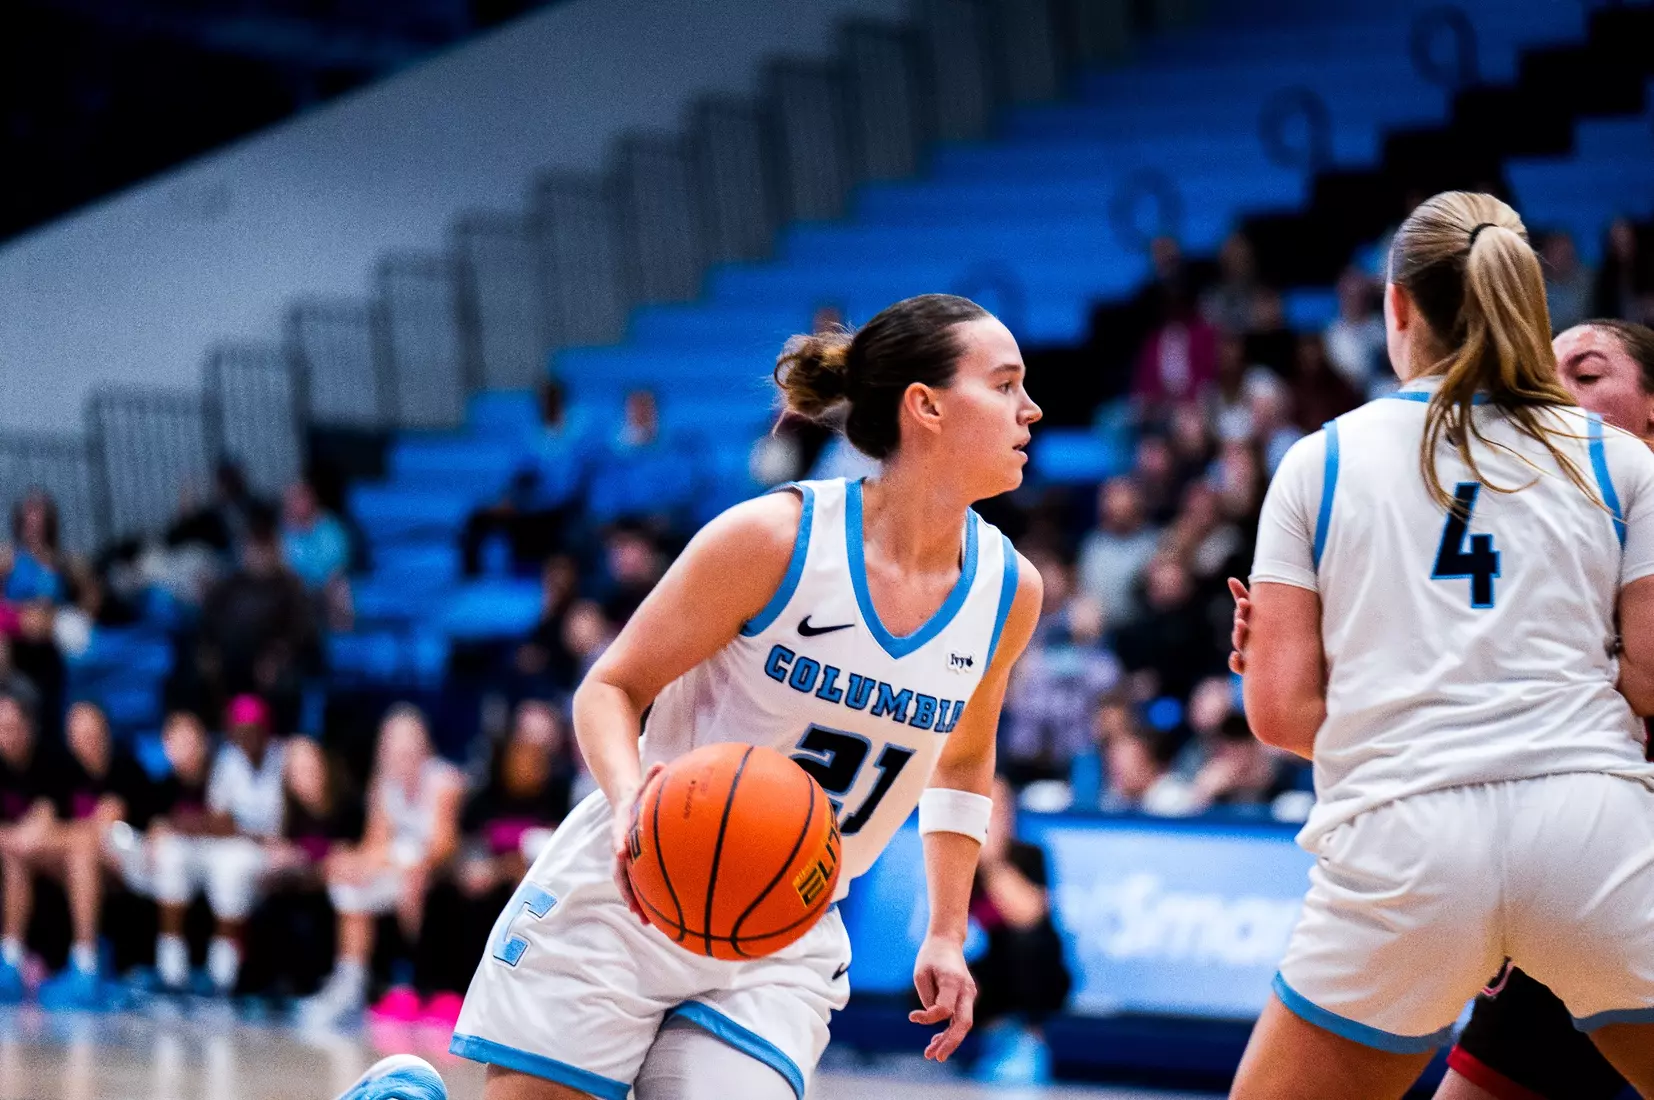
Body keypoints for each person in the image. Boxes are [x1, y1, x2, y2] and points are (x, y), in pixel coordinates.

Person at [430, 292, 1043, 1100]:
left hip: (783, 925)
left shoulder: (1009, 591)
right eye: (1004, 385)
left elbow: (963, 764)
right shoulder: (774, 540)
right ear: (924, 405)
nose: (1029, 409)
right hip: (630, 893)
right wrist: (629, 807)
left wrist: (946, 930)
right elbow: (610, 687)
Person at [1222, 192, 1654, 1098]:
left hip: (1403, 843)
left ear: (1398, 307)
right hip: (1591, 830)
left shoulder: (1320, 460)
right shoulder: (1623, 461)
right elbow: (1649, 681)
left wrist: (1385, 676)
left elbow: (1282, 713)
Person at [1430, 320, 1654, 1100]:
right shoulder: (1515, 528)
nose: (1556, 393)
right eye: (1543, 376)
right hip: (1571, 881)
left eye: (1587, 375)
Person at [299, 704, 463, 1028]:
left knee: (414, 881)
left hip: (443, 868)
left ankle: (418, 981)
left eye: (409, 747)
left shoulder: (445, 780)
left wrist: (400, 862)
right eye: (394, 747)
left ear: (423, 745)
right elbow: (376, 843)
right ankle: (350, 983)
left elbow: (444, 845)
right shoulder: (383, 784)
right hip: (401, 864)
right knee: (349, 886)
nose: (402, 755)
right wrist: (354, 861)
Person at [148, 696, 288, 995]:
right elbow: (220, 821)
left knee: (232, 867)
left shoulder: (283, 760)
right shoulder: (228, 761)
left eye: (252, 729)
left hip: (268, 851)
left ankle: (222, 972)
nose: (245, 736)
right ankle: (171, 967)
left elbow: (278, 825)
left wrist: (249, 834)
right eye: (239, 730)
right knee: (173, 855)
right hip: (232, 844)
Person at [967, 775, 1071, 1086]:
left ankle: (1028, 1042)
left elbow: (1029, 915)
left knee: (1026, 947)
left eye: (997, 810)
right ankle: (995, 1037)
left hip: (1041, 968)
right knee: (931, 983)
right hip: (994, 965)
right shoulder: (962, 864)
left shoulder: (1030, 855)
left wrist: (993, 864)